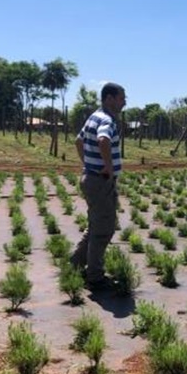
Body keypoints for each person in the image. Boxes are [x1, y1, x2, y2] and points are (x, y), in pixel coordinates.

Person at [70, 82, 126, 289]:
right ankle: (94, 276)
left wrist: (87, 163)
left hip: (91, 178)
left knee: (95, 226)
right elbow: (103, 140)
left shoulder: (93, 117)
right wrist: (108, 167)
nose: (124, 103)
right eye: (121, 98)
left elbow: (78, 141)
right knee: (103, 230)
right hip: (101, 182)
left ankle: (75, 264)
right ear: (109, 98)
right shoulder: (106, 120)